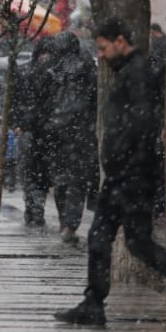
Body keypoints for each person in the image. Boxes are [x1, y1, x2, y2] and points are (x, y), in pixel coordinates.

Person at [54, 18, 166, 327]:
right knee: (120, 240)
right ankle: (97, 302)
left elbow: (139, 124)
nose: (100, 55)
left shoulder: (137, 74)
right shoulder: (129, 72)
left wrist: (127, 165)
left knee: (121, 239)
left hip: (132, 174)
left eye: (103, 48)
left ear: (119, 42)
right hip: (128, 173)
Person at [42, 31, 97, 244]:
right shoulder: (87, 67)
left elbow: (44, 100)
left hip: (57, 132)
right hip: (80, 132)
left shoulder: (52, 69)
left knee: (61, 179)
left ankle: (66, 220)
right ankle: (69, 223)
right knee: (76, 180)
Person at [13, 37, 57, 227]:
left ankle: (34, 208)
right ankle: (34, 208)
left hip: (38, 131)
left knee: (34, 172)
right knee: (33, 171)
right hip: (34, 131)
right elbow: (15, 101)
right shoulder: (45, 75)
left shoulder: (43, 75)